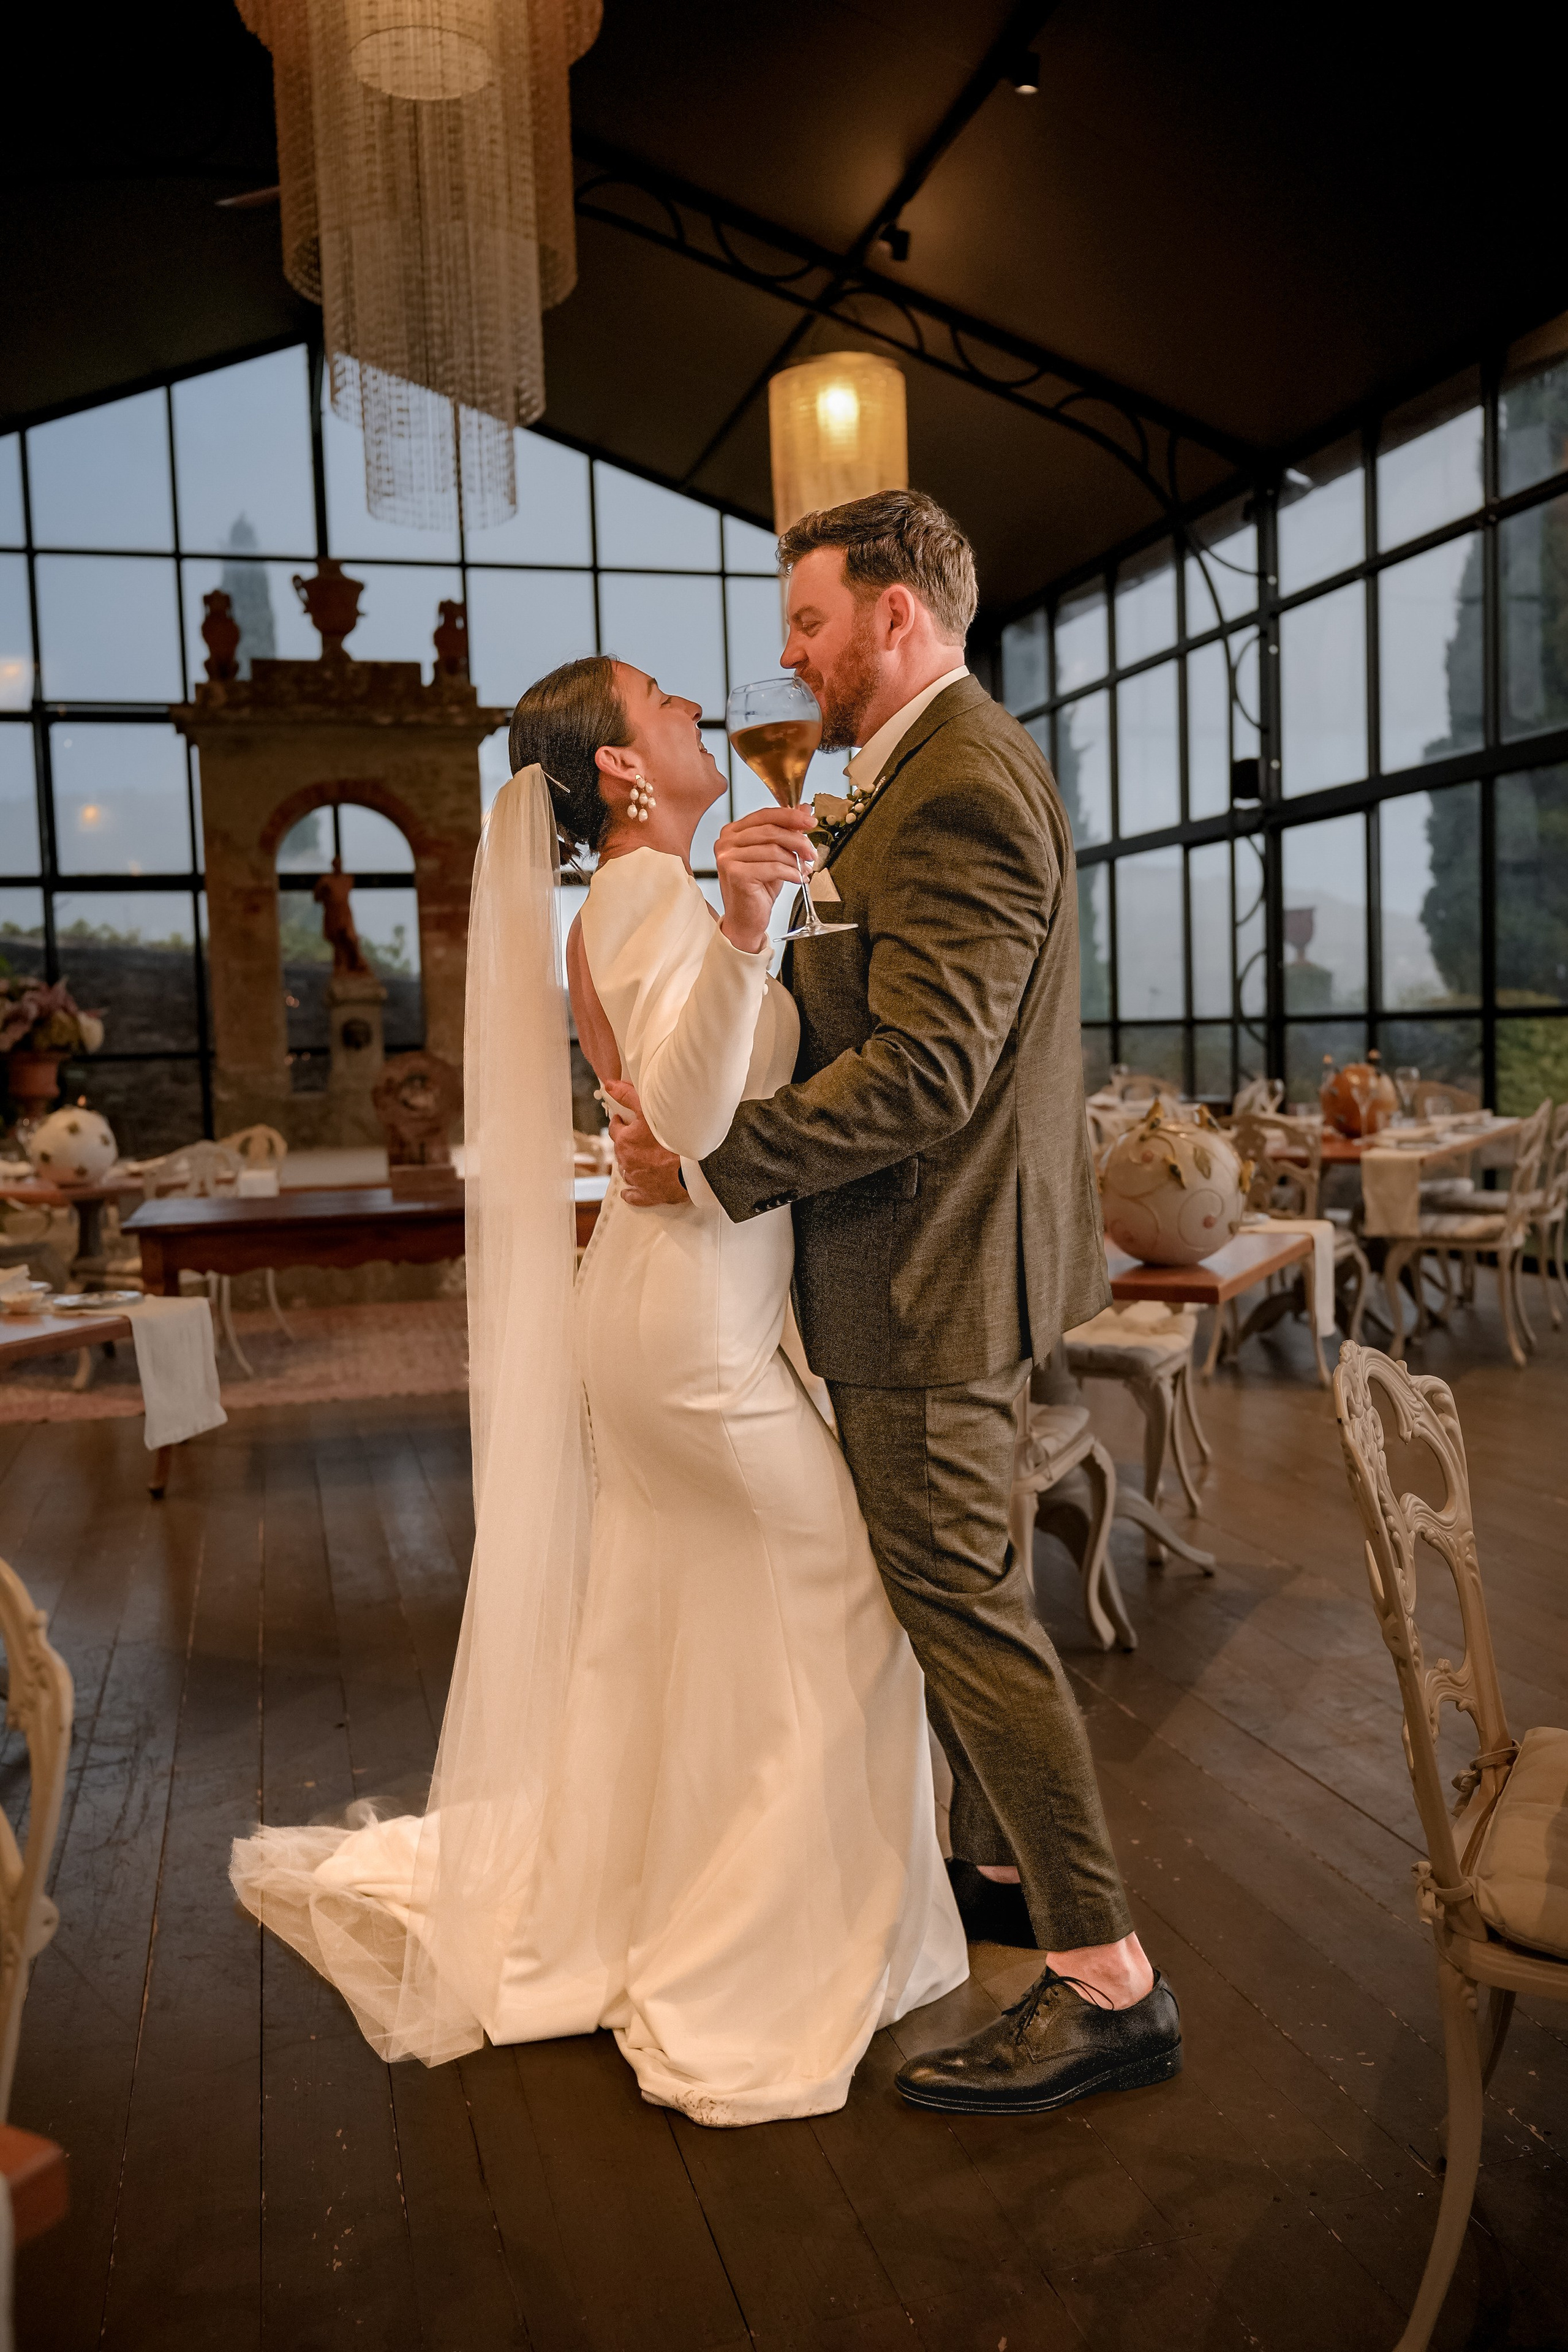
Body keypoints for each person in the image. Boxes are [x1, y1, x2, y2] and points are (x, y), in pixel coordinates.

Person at [230, 653, 967, 2127]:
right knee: (844, 1605)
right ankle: (750, 1942)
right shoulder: (642, 893)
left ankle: (658, 1888)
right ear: (623, 771)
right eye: (666, 705)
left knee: (678, 1618)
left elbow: (671, 1104)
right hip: (690, 1328)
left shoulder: (633, 899)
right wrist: (751, 926)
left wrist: (744, 921)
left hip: (665, 1307)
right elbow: (693, 1118)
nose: (696, 708)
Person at [608, 489, 1183, 2116]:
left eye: (808, 622)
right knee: (963, 1592)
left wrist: (715, 1164)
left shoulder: (960, 790)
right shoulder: (913, 777)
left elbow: (929, 1074)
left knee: (964, 1615)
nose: (786, 655)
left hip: (931, 1278)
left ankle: (1105, 1982)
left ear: (898, 619)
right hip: (929, 1266)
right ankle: (1000, 1876)